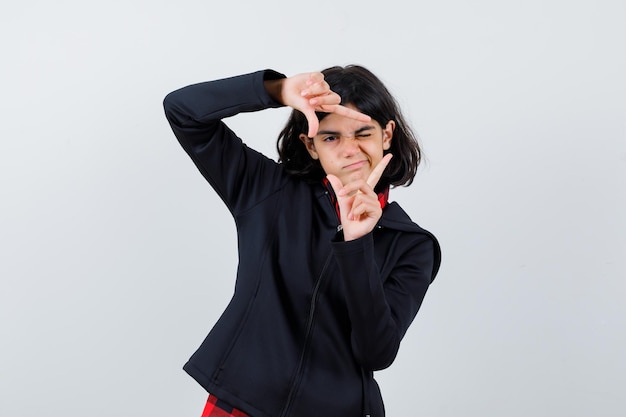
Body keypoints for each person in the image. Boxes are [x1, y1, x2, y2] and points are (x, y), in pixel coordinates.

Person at [163, 66, 441, 417]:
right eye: (330, 137)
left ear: (387, 135)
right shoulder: (266, 191)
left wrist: (357, 243)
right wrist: (278, 91)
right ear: (310, 145)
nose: (350, 150)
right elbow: (182, 110)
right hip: (240, 403)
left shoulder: (413, 245)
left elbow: (376, 353)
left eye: (363, 133)